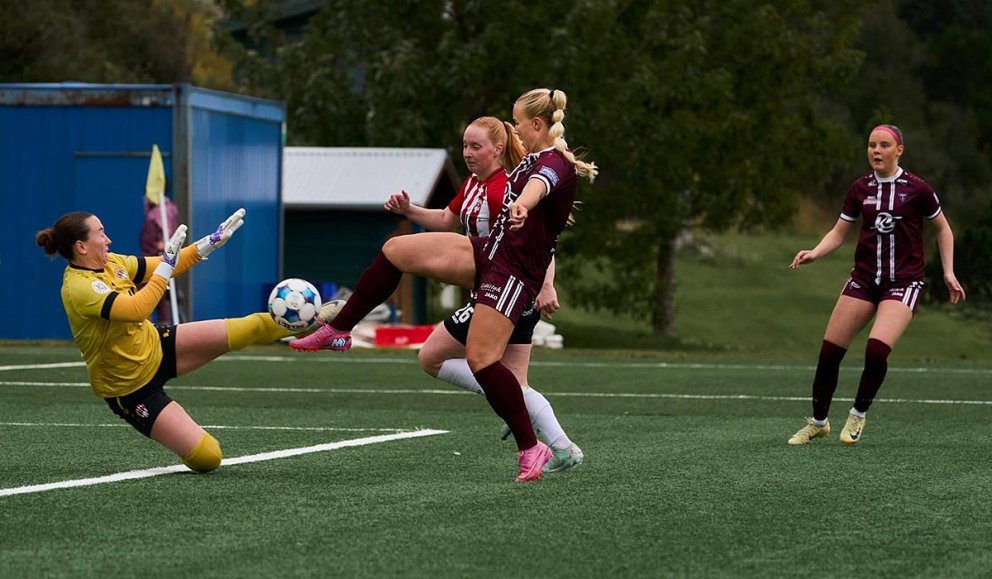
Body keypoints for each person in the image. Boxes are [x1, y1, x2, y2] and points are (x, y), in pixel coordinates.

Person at [291, 88, 597, 482]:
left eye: (517, 123)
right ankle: (338, 329)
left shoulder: (553, 164)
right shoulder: (524, 163)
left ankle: (532, 446)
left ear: (535, 124)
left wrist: (525, 205)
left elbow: (541, 188)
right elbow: (467, 213)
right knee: (396, 249)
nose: (515, 129)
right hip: (486, 252)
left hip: (512, 272)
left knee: (483, 361)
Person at [36, 208, 323, 472]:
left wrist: (210, 242)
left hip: (157, 345)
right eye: (100, 233)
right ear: (81, 246)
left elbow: (165, 264)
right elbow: (138, 309)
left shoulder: (113, 262)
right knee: (208, 457)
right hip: (130, 387)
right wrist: (165, 267)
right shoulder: (79, 288)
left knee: (249, 327)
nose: (108, 239)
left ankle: (325, 319)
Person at [383, 116, 582, 473]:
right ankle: (552, 439)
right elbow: (446, 220)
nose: (468, 153)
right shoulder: (475, 185)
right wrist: (408, 210)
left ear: (498, 149)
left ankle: (554, 440)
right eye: (465, 146)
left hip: (508, 292)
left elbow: (539, 244)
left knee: (435, 358)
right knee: (510, 383)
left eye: (475, 147)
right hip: (497, 291)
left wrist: (547, 285)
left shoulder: (508, 186)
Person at [787, 124, 966, 446]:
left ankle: (857, 414)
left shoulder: (918, 189)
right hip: (864, 280)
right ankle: (818, 422)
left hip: (904, 282)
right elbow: (839, 232)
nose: (876, 151)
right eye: (872, 145)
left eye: (884, 145)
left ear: (899, 150)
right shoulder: (859, 188)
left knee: (875, 349)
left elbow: (943, 229)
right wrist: (815, 251)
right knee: (829, 353)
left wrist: (948, 272)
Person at [140, 195, 181, 324]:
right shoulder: (167, 209)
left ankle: (151, 326)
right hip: (154, 256)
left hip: (155, 257)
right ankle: (161, 326)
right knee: (160, 296)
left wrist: (164, 244)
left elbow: (166, 231)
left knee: (152, 294)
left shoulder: (159, 212)